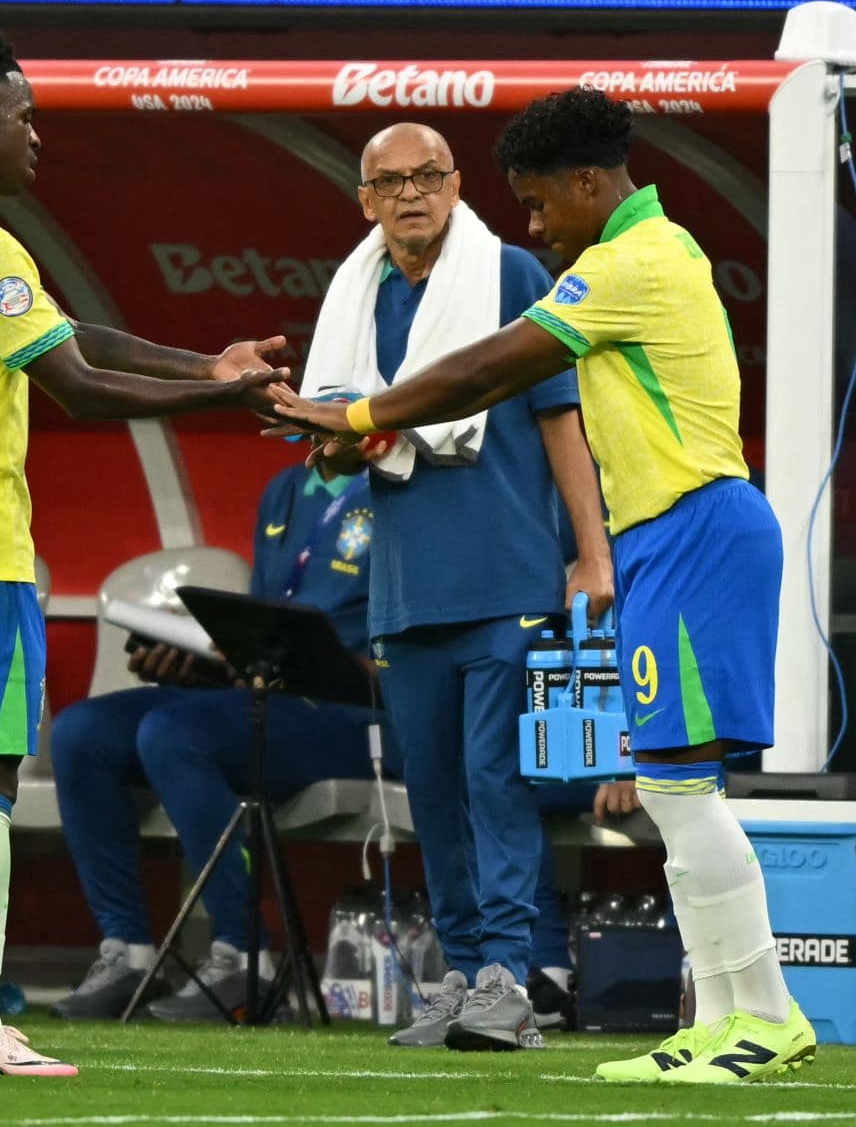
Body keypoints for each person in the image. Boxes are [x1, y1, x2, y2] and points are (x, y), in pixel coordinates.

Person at [273, 87, 813, 1084]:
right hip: (667, 533)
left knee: (686, 792)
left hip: (697, 525)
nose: (529, 226)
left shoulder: (631, 262)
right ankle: (724, 1017)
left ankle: (768, 1014)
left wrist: (356, 416)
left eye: (536, 204)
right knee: (669, 789)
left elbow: (489, 367)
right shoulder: (641, 254)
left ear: (586, 182)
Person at [0, 26, 286, 1078]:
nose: (40, 134)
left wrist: (203, 358)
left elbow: (62, 330)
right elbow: (77, 384)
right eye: (26, 115)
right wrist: (223, 392)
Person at [299, 124, 610, 1051]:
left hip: (506, 572)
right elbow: (327, 449)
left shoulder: (509, 271)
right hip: (404, 585)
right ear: (365, 200)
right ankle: (465, 975)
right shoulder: (353, 296)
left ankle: (511, 980)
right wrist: (332, 437)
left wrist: (591, 556)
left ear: (455, 183)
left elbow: (562, 419)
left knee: (492, 781)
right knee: (433, 790)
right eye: (389, 181)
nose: (410, 194)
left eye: (427, 175)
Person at [50, 459, 384, 1021]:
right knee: (81, 733)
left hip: (352, 715)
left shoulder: (397, 484)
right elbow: (263, 634)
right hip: (266, 698)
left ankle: (244, 958)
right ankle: (128, 954)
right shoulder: (285, 488)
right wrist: (199, 666)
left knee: (174, 733)